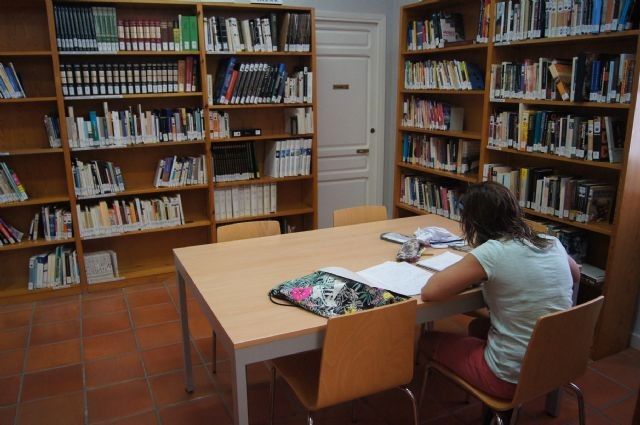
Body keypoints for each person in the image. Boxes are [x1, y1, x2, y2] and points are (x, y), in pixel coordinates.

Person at [420, 181, 580, 400]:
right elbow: (575, 274)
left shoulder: (492, 252)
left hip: (508, 378)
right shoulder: (551, 242)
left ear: (474, 221)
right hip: (556, 365)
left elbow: (430, 292)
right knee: (478, 327)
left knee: (426, 341)